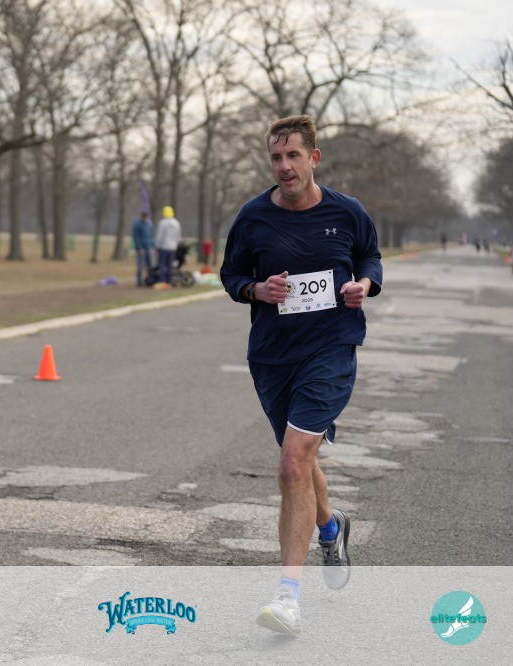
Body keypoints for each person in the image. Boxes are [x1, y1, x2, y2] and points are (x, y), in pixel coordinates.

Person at [219, 115, 383, 637]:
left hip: (331, 351)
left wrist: (363, 285)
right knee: (301, 462)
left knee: (292, 462)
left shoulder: (347, 211)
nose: (284, 166)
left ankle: (287, 597)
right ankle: (331, 528)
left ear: (314, 158)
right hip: (273, 357)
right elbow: (231, 274)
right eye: (276, 157)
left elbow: (370, 258)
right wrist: (256, 290)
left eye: (293, 155)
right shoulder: (253, 217)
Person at [155, 206, 181, 285]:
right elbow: (178, 236)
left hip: (163, 247)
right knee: (170, 265)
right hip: (173, 247)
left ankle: (163, 281)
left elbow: (160, 236)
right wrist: (176, 245)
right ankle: (169, 281)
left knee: (162, 265)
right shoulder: (176, 223)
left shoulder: (163, 223)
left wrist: (157, 245)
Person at [131, 210, 155, 287]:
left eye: (146, 216)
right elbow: (136, 237)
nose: (145, 217)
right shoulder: (137, 225)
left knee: (150, 266)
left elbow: (151, 236)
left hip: (149, 247)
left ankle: (150, 280)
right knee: (140, 266)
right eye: (144, 216)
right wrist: (139, 247)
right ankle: (139, 281)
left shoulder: (149, 224)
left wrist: (152, 246)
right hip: (142, 249)